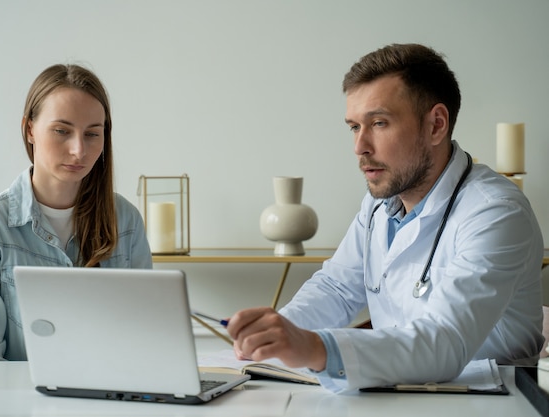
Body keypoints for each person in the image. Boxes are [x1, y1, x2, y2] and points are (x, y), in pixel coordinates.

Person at [226, 43, 544, 392]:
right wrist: (274, 332)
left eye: (379, 123)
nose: (359, 146)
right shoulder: (379, 204)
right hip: (398, 392)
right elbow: (337, 289)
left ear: (436, 125)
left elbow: (445, 341)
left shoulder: (495, 212)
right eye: (353, 127)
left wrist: (315, 347)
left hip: (491, 397)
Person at [0, 64, 153, 362]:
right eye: (62, 131)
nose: (79, 150)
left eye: (92, 134)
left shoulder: (125, 220)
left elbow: (146, 338)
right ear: (30, 129)